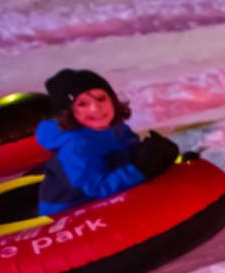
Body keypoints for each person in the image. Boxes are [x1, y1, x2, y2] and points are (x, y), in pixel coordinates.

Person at [35, 69, 179, 215]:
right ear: (68, 112)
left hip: (109, 193)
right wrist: (140, 168)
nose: (95, 108)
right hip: (71, 209)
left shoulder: (117, 128)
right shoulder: (76, 146)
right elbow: (96, 188)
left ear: (112, 100)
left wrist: (159, 157)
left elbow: (129, 156)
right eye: (82, 104)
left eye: (101, 99)